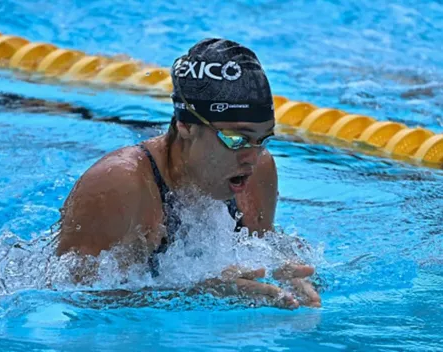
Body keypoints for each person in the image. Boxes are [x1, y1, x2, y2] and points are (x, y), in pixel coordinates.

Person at [56, 38, 321, 309]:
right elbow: (73, 299)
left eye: (262, 140)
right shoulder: (118, 185)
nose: (252, 157)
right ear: (186, 126)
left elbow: (263, 251)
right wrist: (198, 295)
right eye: (236, 139)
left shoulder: (258, 170)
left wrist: (287, 276)